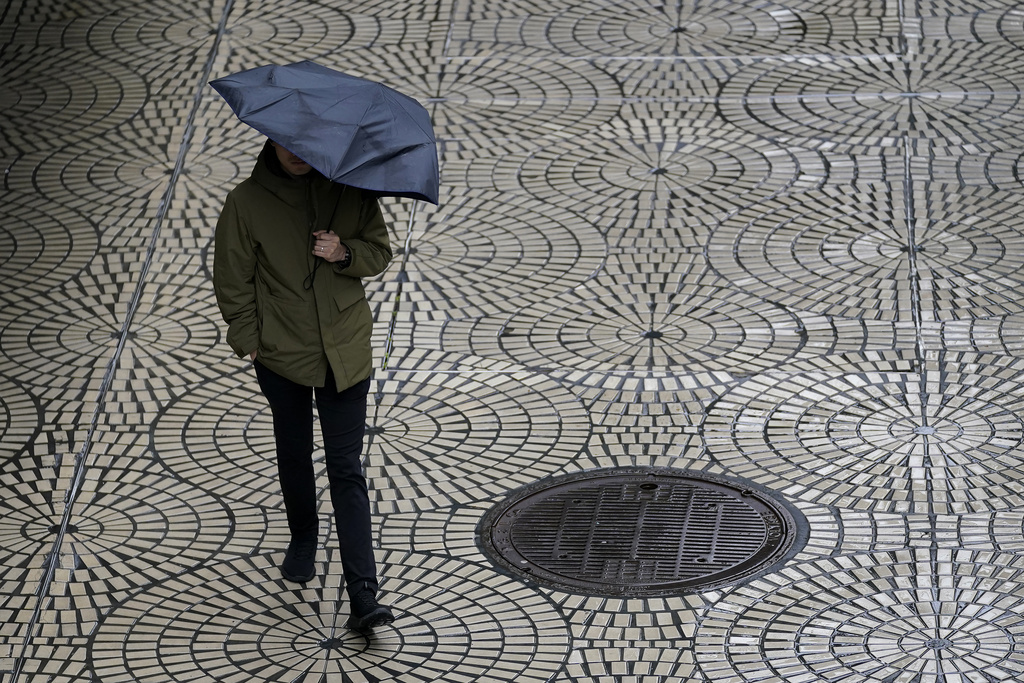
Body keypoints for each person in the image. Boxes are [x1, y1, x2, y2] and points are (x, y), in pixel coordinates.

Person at [213, 139, 394, 632]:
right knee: (294, 452)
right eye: (286, 144)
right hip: (281, 353)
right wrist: (250, 340)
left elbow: (379, 252)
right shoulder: (245, 203)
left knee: (345, 467)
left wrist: (344, 252)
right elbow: (233, 279)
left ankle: (363, 594)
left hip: (344, 350)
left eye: (306, 145)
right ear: (270, 140)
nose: (296, 153)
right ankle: (303, 539)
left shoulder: (350, 192)